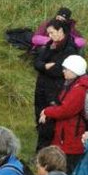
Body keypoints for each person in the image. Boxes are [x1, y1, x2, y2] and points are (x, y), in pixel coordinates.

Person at [39, 55, 88, 171]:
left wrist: (47, 111)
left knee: (67, 168)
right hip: (67, 132)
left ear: (75, 70)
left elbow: (65, 110)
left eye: (66, 69)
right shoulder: (73, 84)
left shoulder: (79, 88)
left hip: (71, 136)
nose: (63, 71)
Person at [32, 21, 72, 150]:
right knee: (39, 118)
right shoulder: (50, 45)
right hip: (41, 88)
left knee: (48, 122)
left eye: (52, 33)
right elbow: (36, 62)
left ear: (60, 31)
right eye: (48, 33)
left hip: (55, 90)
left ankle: (44, 152)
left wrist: (45, 66)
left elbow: (59, 70)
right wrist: (45, 66)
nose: (49, 36)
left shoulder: (70, 49)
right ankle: (41, 151)